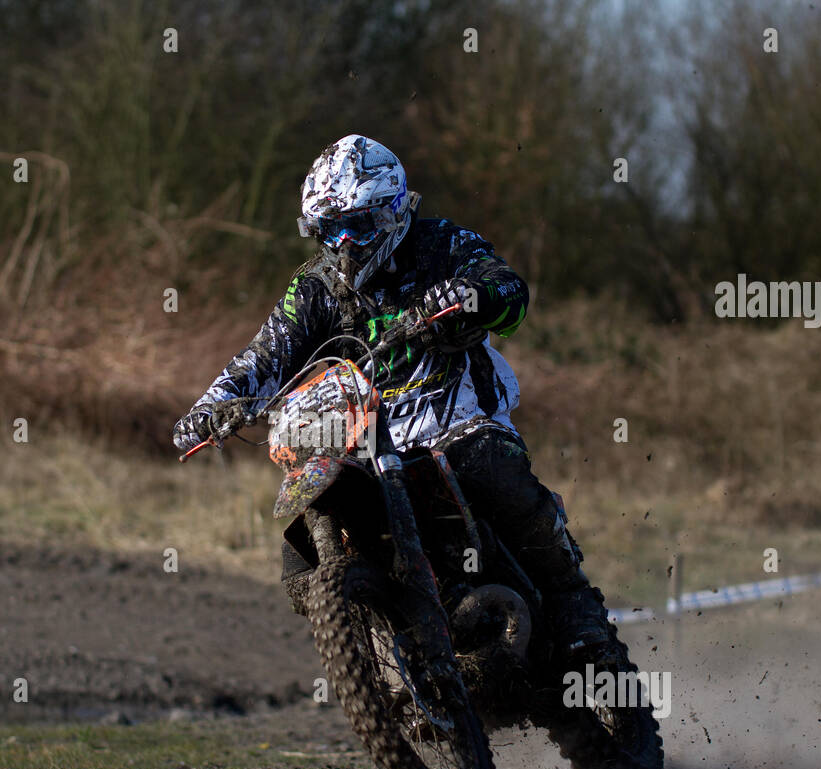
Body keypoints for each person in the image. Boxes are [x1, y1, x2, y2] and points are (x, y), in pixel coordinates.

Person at [173, 134, 615, 671]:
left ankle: (577, 607)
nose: (342, 243)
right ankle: (387, 661)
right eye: (326, 230)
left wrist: (468, 296)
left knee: (493, 468)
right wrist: (215, 405)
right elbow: (265, 356)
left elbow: (510, 294)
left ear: (390, 215)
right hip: (364, 437)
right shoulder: (314, 287)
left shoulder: (442, 245)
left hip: (458, 416)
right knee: (300, 561)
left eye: (355, 226)